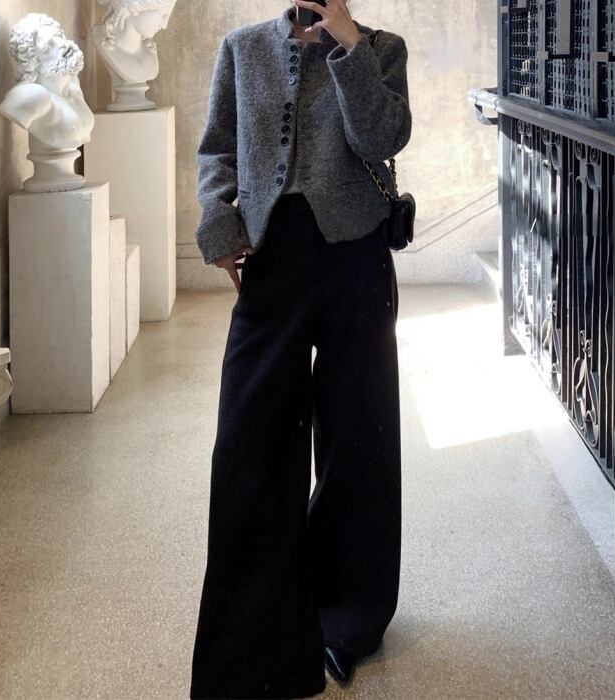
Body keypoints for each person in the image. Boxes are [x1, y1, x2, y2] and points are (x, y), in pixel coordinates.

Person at [190, 0, 411, 697]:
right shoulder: (242, 47)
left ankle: (348, 618)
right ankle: (255, 631)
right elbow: (217, 149)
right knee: (249, 438)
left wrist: (347, 45)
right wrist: (219, 223)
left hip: (356, 257)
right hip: (272, 262)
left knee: (358, 438)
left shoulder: (381, 47)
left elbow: (383, 138)